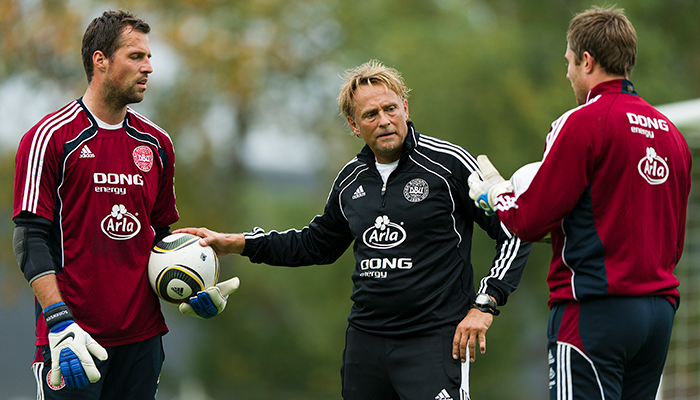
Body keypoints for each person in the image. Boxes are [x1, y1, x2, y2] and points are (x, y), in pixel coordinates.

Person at [176, 59, 532, 400]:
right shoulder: (350, 179)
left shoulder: (449, 164)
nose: (384, 120)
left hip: (434, 339)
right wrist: (237, 243)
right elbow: (316, 244)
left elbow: (515, 229)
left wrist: (486, 303)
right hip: (367, 342)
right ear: (353, 124)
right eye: (370, 114)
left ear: (406, 109)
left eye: (391, 109)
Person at [468, 6, 691, 400]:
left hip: (595, 311)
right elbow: (672, 240)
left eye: (569, 62)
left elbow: (529, 219)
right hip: (658, 313)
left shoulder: (581, 122)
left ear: (587, 60)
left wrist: (494, 193)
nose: (568, 72)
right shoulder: (671, 133)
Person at [12, 10, 236, 398]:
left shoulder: (157, 144)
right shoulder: (50, 138)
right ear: (100, 60)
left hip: (141, 342)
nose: (148, 67)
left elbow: (161, 240)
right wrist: (58, 320)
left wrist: (194, 282)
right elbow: (30, 239)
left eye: (149, 57)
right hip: (72, 340)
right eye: (136, 56)